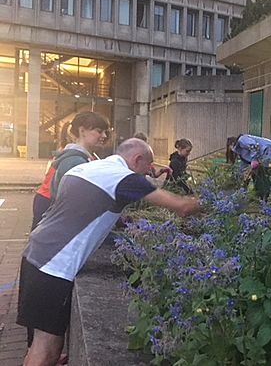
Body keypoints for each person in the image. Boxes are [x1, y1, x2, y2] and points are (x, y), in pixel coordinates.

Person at [17, 138, 201, 366]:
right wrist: (212, 203)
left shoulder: (89, 167)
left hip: (35, 254)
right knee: (44, 352)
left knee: (49, 347)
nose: (148, 173)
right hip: (54, 267)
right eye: (147, 167)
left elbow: (87, 205)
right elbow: (183, 206)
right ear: (137, 160)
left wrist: (121, 219)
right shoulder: (124, 179)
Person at [31, 112, 110, 231]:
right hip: (49, 206)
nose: (104, 135)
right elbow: (73, 203)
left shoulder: (81, 157)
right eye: (99, 131)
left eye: (105, 132)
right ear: (82, 131)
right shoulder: (74, 162)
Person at [231, 134, 271, 199]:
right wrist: (241, 178)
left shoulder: (242, 139)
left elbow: (254, 146)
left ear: (232, 143)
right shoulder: (242, 152)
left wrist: (254, 159)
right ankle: (263, 198)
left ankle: (265, 199)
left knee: (262, 177)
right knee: (259, 176)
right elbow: (243, 167)